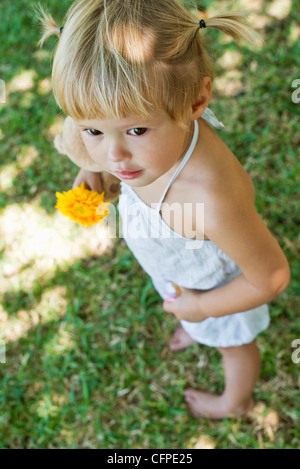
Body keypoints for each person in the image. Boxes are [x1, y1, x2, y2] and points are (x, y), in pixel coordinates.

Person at [38, 0, 290, 419]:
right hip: (177, 272)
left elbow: (271, 276)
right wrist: (90, 167)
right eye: (94, 130)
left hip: (215, 288)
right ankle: (195, 326)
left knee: (233, 343)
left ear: (196, 101)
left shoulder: (209, 201)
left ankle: (236, 400)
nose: (115, 155)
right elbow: (93, 137)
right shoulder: (124, 139)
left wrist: (203, 308)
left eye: (136, 130)